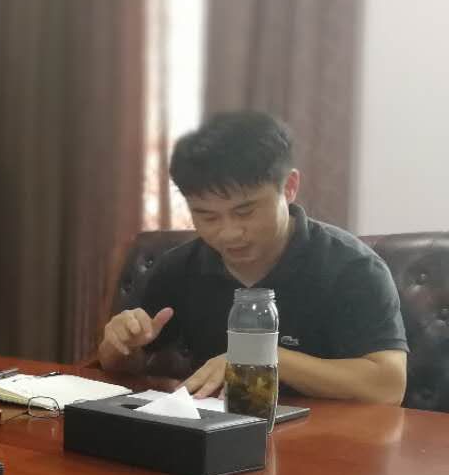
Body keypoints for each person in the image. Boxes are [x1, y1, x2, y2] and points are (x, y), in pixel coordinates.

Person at [98, 111, 407, 404]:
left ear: (289, 187)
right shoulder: (179, 267)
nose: (229, 233)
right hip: (216, 430)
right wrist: (119, 347)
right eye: (207, 216)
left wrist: (265, 356)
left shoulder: (351, 267)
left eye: (245, 212)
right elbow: (123, 366)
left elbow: (389, 387)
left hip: (330, 435)